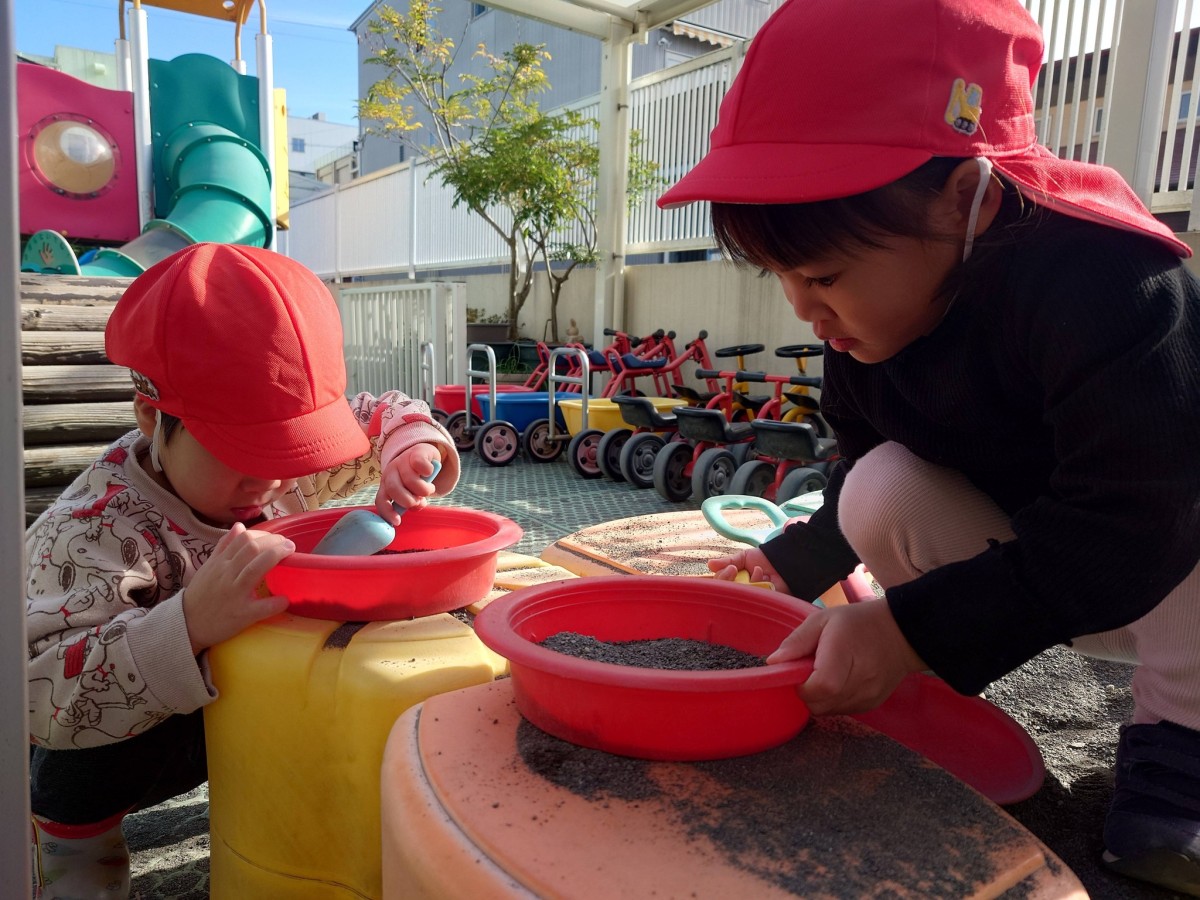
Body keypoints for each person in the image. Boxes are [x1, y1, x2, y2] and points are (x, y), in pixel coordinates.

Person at [658, 0, 1200, 894]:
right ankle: (935, 687)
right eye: (780, 276)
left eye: (823, 275)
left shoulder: (1115, 286)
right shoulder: (866, 333)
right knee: (881, 485)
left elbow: (1143, 515)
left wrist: (916, 628)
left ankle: (1181, 746)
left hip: (1165, 554)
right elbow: (856, 481)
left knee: (1179, 487)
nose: (803, 309)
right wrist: (790, 564)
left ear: (963, 199)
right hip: (1061, 576)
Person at [25, 243, 460, 898]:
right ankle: (76, 863)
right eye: (244, 453)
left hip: (236, 703)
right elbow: (42, 694)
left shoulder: (278, 472)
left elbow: (381, 413)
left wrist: (410, 446)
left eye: (294, 448)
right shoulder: (92, 533)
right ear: (152, 417)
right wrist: (189, 623)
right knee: (70, 784)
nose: (273, 481)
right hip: (110, 735)